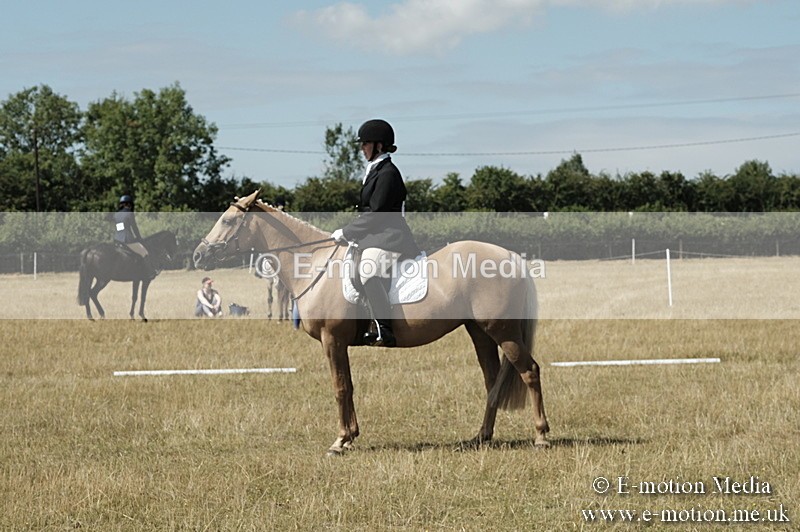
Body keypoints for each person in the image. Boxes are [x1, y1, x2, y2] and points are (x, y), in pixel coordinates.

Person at [330, 119, 420, 347]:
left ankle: (384, 328)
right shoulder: (375, 170)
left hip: (390, 237)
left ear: (379, 145)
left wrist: (347, 231)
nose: (362, 148)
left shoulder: (388, 173)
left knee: (367, 270)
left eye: (365, 144)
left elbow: (377, 213)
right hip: (375, 236)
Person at [114, 194, 157, 279]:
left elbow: (119, 227)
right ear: (128, 204)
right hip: (127, 240)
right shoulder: (129, 213)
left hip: (117, 239)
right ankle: (150, 273)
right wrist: (139, 238)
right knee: (144, 252)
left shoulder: (116, 214)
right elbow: (134, 227)